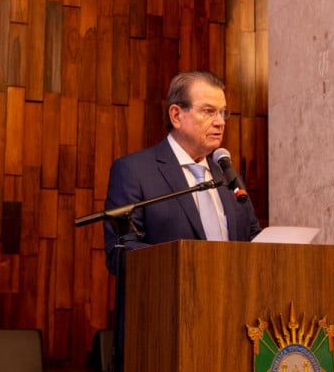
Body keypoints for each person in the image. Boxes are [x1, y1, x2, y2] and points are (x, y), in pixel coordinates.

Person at [103, 70, 261, 275]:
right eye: (209, 111)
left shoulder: (227, 175)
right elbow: (121, 254)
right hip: (168, 294)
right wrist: (192, 265)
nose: (220, 122)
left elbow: (251, 237)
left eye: (222, 112)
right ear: (176, 115)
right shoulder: (134, 171)